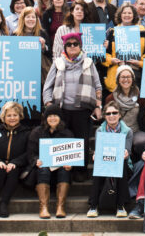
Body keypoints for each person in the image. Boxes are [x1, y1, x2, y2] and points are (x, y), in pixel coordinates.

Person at [42, 31, 103, 179]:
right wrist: (49, 104)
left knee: (82, 141)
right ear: (65, 47)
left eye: (75, 44)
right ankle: (63, 172)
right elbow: (47, 86)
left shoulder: (88, 62)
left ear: (80, 46)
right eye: (69, 44)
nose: (72, 46)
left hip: (83, 109)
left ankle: (80, 172)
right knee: (63, 141)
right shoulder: (58, 63)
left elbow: (97, 86)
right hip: (62, 109)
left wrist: (98, 106)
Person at [0, 101, 31, 218]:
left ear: (20, 116)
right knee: (0, 169)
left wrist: (15, 162)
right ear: (3, 117)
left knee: (13, 170)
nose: (12, 118)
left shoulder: (27, 133)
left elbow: (29, 153)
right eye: (9, 115)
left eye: (15, 115)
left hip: (16, 167)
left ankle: (4, 203)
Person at [86, 101, 133, 218]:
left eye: (114, 113)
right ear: (105, 116)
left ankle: (120, 206)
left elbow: (127, 150)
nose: (111, 116)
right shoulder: (99, 131)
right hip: (106, 161)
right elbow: (99, 149)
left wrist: (125, 153)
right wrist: (96, 155)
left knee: (121, 163)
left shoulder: (128, 131)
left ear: (119, 115)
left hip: (122, 163)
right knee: (98, 164)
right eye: (108, 113)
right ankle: (93, 205)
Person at [27, 104, 74, 219]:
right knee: (43, 169)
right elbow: (31, 153)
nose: (52, 118)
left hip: (60, 171)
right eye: (50, 116)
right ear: (45, 118)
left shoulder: (67, 133)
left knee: (65, 170)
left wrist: (70, 164)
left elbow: (72, 154)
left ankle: (60, 207)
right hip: (42, 171)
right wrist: (36, 160)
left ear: (60, 118)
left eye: (55, 115)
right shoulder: (37, 132)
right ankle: (43, 207)